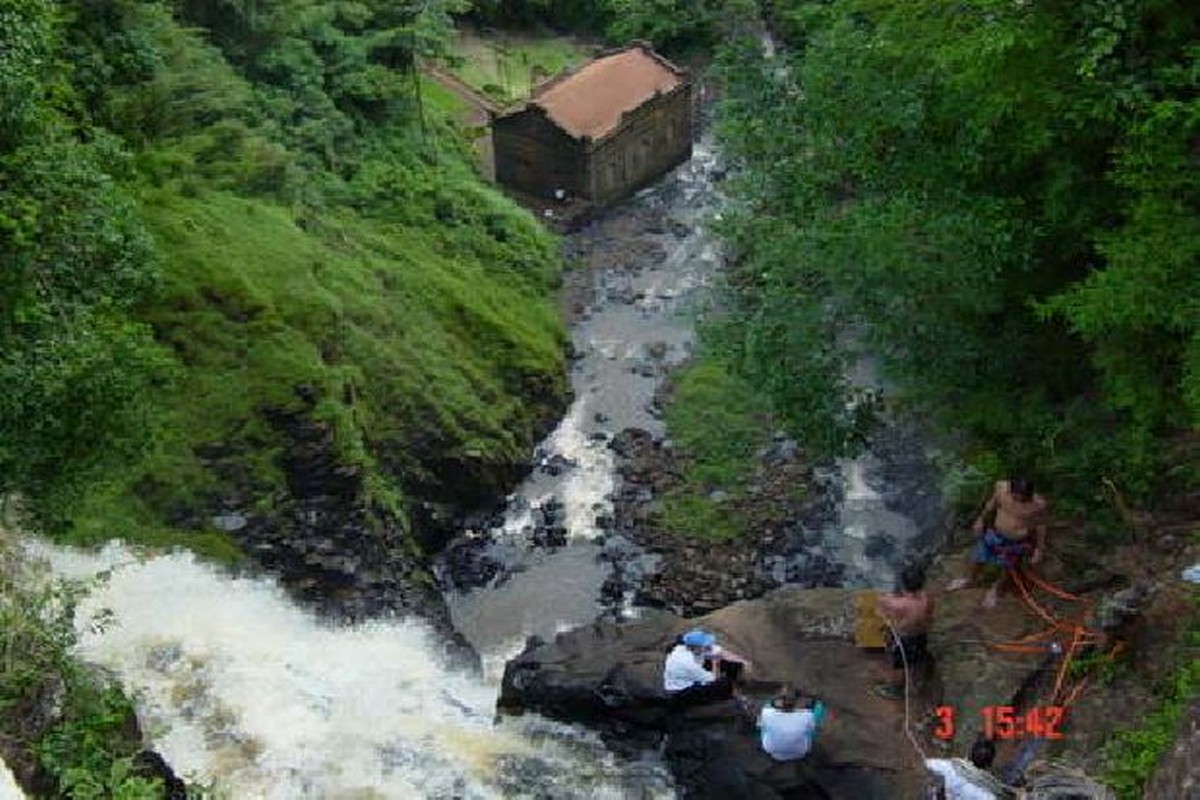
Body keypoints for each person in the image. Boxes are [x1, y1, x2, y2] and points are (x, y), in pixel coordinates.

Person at [948, 476, 1051, 608]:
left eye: (1023, 497)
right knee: (978, 556)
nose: (1019, 499)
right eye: (1016, 495)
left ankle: (996, 589)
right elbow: (991, 506)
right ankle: (969, 579)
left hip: (1016, 541)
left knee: (1007, 567)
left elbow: (1041, 526)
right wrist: (980, 520)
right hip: (995, 533)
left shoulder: (1038, 505)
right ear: (1010, 490)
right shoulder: (1001, 489)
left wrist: (1039, 549)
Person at [875, 564, 935, 700]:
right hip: (921, 634)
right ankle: (917, 682)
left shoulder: (896, 603)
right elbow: (928, 616)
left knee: (899, 665)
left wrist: (889, 599)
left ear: (902, 585)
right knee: (915, 658)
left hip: (904, 639)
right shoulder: (928, 598)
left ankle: (896, 689)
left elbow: (881, 610)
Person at [662, 628, 750, 706]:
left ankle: (733, 689)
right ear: (696, 647)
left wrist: (743, 662)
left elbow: (720, 652)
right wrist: (716, 664)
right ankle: (731, 696)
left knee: (732, 665)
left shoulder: (684, 647)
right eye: (706, 645)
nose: (709, 647)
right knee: (723, 683)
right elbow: (714, 679)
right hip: (680, 691)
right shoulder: (688, 662)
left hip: (695, 676)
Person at [924, 738, 1010, 799]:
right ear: (989, 764)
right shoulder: (987, 796)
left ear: (970, 754)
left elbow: (927, 763)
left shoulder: (949, 767)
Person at [757, 684, 824, 762]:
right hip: (800, 752)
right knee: (810, 726)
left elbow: (759, 726)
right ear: (798, 701)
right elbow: (813, 729)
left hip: (771, 751)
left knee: (764, 726)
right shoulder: (808, 715)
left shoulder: (766, 711)